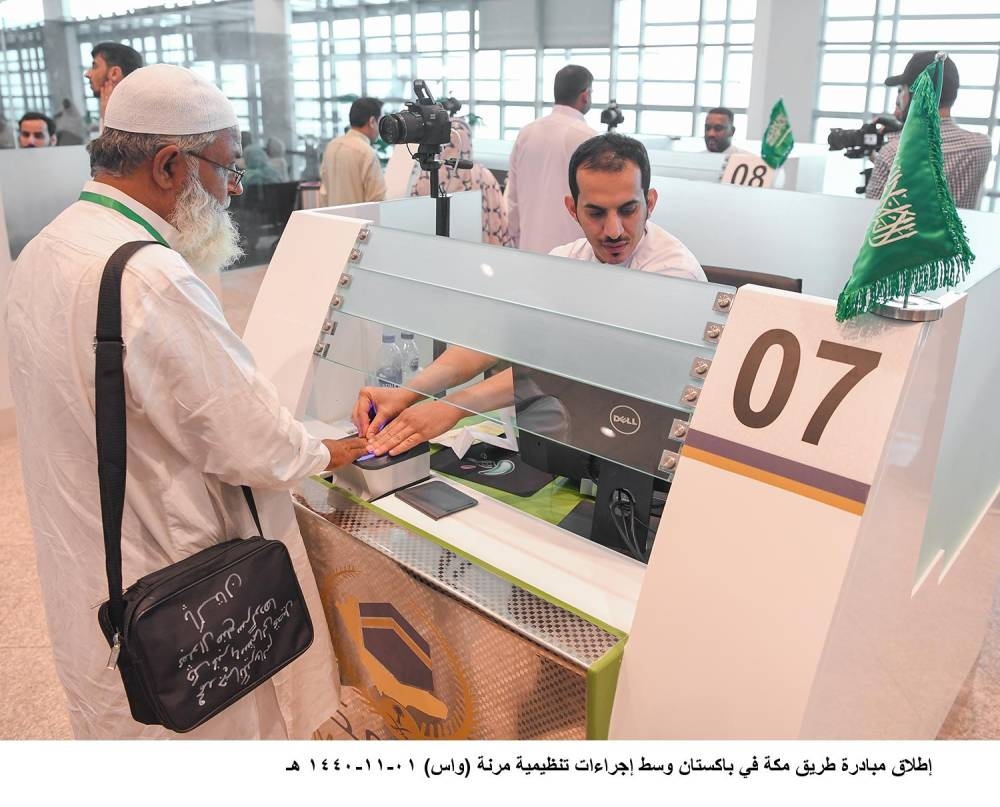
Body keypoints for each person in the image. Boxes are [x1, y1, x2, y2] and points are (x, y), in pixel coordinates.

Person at [4, 63, 367, 739]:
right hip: (177, 592)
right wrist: (330, 449)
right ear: (170, 164)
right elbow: (247, 439)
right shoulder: (150, 275)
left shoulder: (50, 246)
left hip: (98, 578)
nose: (233, 189)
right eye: (226, 169)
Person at [352, 133, 704, 456]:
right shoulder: (566, 260)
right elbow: (493, 338)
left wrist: (452, 407)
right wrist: (408, 392)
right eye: (596, 213)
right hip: (586, 437)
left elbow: (579, 364)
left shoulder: (674, 275)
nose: (613, 230)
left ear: (650, 202)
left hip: (657, 450)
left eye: (628, 210)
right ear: (572, 208)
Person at [867, 52, 992, 209]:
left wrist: (884, 161)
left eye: (902, 90)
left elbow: (872, 217)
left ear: (916, 94)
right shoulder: (982, 146)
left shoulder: (892, 154)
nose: (899, 99)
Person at [505, 64, 597, 254]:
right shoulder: (589, 138)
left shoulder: (526, 133)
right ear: (585, 94)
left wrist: (513, 237)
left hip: (529, 248)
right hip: (575, 253)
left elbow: (512, 197)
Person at [411, 117, 510, 246]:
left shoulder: (426, 177)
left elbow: (412, 221)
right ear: (468, 143)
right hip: (476, 256)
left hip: (432, 252)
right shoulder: (484, 176)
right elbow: (500, 221)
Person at [318, 97, 386, 206]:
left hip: (332, 220)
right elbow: (377, 200)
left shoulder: (332, 146)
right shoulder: (366, 152)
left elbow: (323, 194)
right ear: (372, 121)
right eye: (381, 121)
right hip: (359, 221)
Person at [85, 41, 143, 124]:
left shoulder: (136, 120)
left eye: (95, 66)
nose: (87, 74)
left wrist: (109, 120)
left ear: (114, 73)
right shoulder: (108, 111)